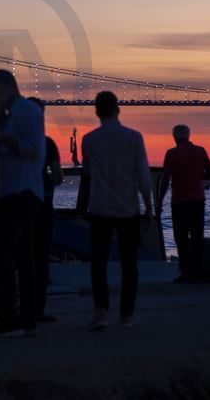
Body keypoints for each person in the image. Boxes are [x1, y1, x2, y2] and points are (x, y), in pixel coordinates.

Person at [80, 91, 154, 330]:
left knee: (98, 263)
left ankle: (101, 312)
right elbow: (143, 177)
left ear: (97, 112)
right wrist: (149, 207)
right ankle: (126, 315)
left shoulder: (89, 140)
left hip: (100, 207)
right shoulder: (134, 137)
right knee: (129, 264)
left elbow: (88, 172)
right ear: (118, 109)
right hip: (127, 208)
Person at [0, 69, 45, 336]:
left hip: (23, 191)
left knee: (2, 251)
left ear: (11, 87)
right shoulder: (11, 114)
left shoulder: (28, 111)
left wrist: (3, 138)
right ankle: (28, 317)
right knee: (23, 256)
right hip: (13, 192)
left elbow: (34, 150)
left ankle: (10, 316)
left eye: (0, 93)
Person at [159, 124, 210, 282]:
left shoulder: (171, 153)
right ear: (189, 136)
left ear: (174, 137)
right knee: (197, 236)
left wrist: (159, 201)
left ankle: (185, 272)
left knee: (181, 236)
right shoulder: (200, 151)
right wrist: (196, 177)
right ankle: (197, 271)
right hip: (198, 200)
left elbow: (165, 179)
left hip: (179, 201)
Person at [27, 97, 63, 323]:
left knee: (20, 257)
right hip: (44, 206)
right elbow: (58, 177)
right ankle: (38, 309)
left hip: (20, 208)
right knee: (41, 259)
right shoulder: (47, 143)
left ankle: (19, 304)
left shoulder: (13, 141)